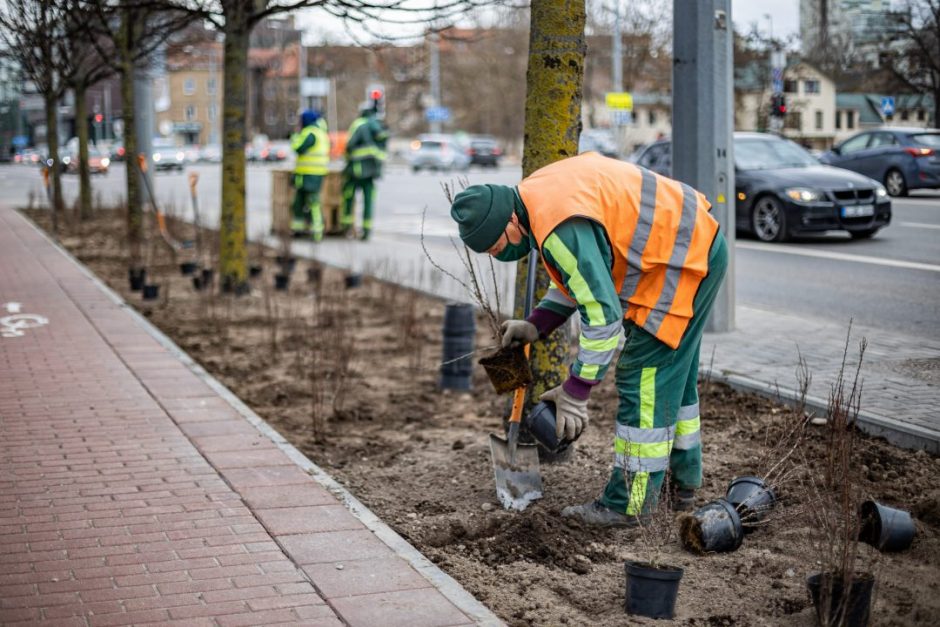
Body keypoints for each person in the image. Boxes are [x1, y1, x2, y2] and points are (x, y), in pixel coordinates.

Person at [449, 152, 728, 527]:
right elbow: (583, 275)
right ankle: (682, 482)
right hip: (690, 244)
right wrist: (537, 324)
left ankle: (629, 504)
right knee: (670, 376)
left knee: (642, 376)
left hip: (680, 260)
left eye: (496, 245)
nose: (498, 254)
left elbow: (603, 319)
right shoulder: (539, 196)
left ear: (509, 220)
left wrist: (576, 392)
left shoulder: (558, 227)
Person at [340, 102, 388, 241]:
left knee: (348, 198)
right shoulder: (379, 127)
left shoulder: (359, 124)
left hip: (355, 170)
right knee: (368, 201)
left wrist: (348, 160)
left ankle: (346, 228)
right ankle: (366, 231)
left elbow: (349, 146)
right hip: (372, 171)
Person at [289, 109, 330, 241]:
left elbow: (298, 148)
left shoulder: (310, 133)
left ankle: (317, 231)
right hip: (311, 173)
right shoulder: (320, 132)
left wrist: (295, 136)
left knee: (312, 202)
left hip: (309, 174)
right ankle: (299, 229)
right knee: (299, 203)